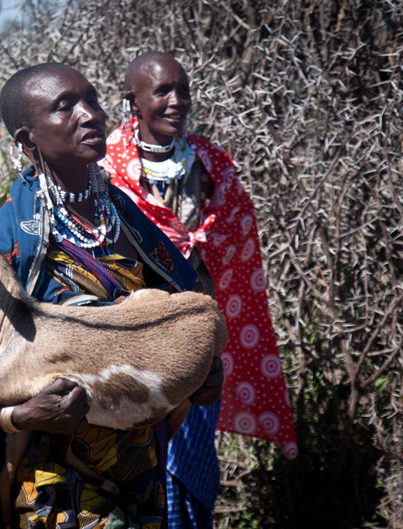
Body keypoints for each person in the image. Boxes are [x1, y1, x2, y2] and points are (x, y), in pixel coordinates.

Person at [0, 62, 224, 528]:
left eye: (92, 101)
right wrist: (20, 413)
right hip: (50, 478)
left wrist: (206, 370)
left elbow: (180, 309)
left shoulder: (127, 219)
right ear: (26, 140)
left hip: (139, 462)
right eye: (64, 107)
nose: (90, 115)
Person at [101, 52, 299, 528]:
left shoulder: (211, 162)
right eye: (162, 92)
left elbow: (235, 233)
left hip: (198, 339)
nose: (177, 102)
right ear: (133, 100)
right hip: (133, 341)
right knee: (136, 460)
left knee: (191, 459)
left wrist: (195, 249)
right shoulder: (105, 168)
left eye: (183, 90)